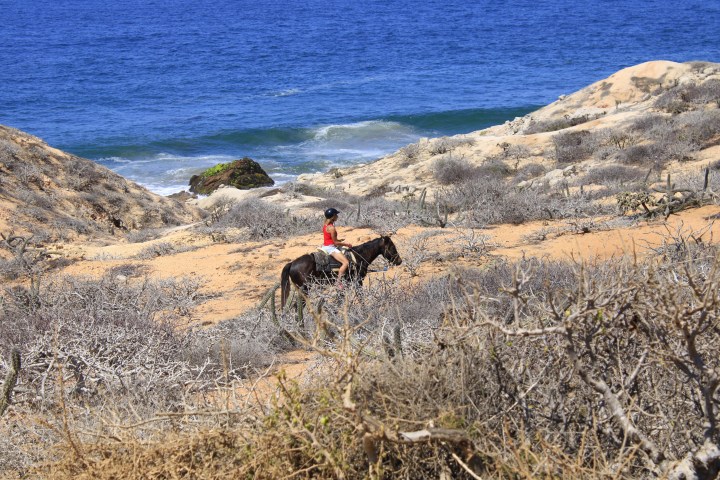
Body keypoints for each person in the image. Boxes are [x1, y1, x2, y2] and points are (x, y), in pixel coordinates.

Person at [321, 207, 352, 288]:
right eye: (336, 215)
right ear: (333, 216)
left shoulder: (325, 225)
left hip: (325, 246)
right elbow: (335, 242)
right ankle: (338, 282)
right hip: (330, 248)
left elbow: (330, 238)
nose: (337, 216)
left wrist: (339, 240)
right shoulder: (332, 228)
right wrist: (346, 244)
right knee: (346, 262)